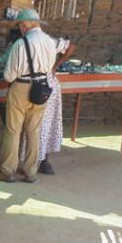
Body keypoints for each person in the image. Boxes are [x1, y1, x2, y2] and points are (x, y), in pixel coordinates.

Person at [0, 8, 62, 183]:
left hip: (21, 88)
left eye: (20, 24)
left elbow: (9, 76)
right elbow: (51, 67)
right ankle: (31, 172)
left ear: (25, 24)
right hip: (42, 88)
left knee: (13, 130)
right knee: (34, 131)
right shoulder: (49, 42)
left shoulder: (20, 44)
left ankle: (7, 171)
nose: (20, 28)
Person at [20, 39, 75, 175]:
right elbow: (71, 46)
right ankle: (41, 161)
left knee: (37, 124)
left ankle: (39, 161)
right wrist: (55, 66)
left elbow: (71, 46)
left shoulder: (24, 43)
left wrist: (55, 66)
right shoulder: (50, 42)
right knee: (43, 124)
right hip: (47, 86)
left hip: (36, 87)